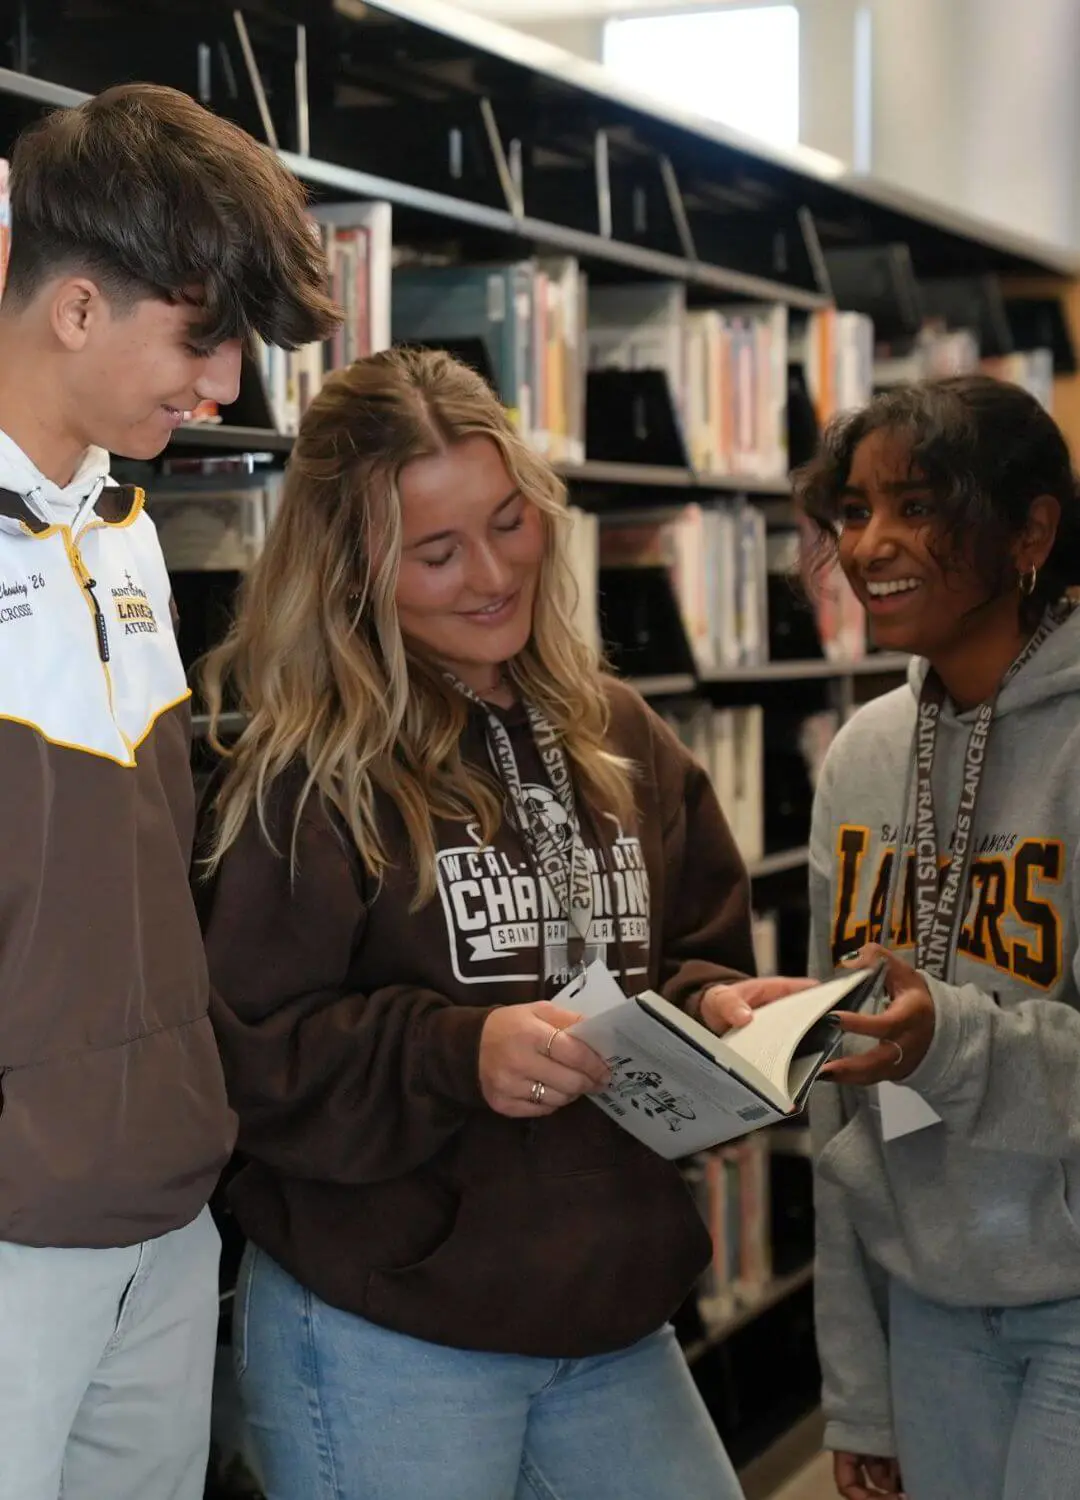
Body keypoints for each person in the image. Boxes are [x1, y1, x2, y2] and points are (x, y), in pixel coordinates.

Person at [196, 345, 809, 1500]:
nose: (490, 574)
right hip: (388, 1330)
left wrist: (715, 1007)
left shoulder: (623, 735)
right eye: (435, 551)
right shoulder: (311, 775)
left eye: (509, 522)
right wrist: (456, 1053)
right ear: (350, 572)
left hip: (612, 1310)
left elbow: (679, 952)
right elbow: (249, 1054)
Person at [0, 83, 338, 1500]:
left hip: (168, 1206)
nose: (222, 391)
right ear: (77, 308)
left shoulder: (130, 537)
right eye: (203, 340)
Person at [796, 375, 1080, 1500]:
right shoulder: (862, 755)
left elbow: (928, 1048)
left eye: (919, 504)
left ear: (1031, 531)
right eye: (856, 511)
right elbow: (842, 1096)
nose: (873, 544)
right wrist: (858, 1384)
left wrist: (948, 1044)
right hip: (927, 1305)